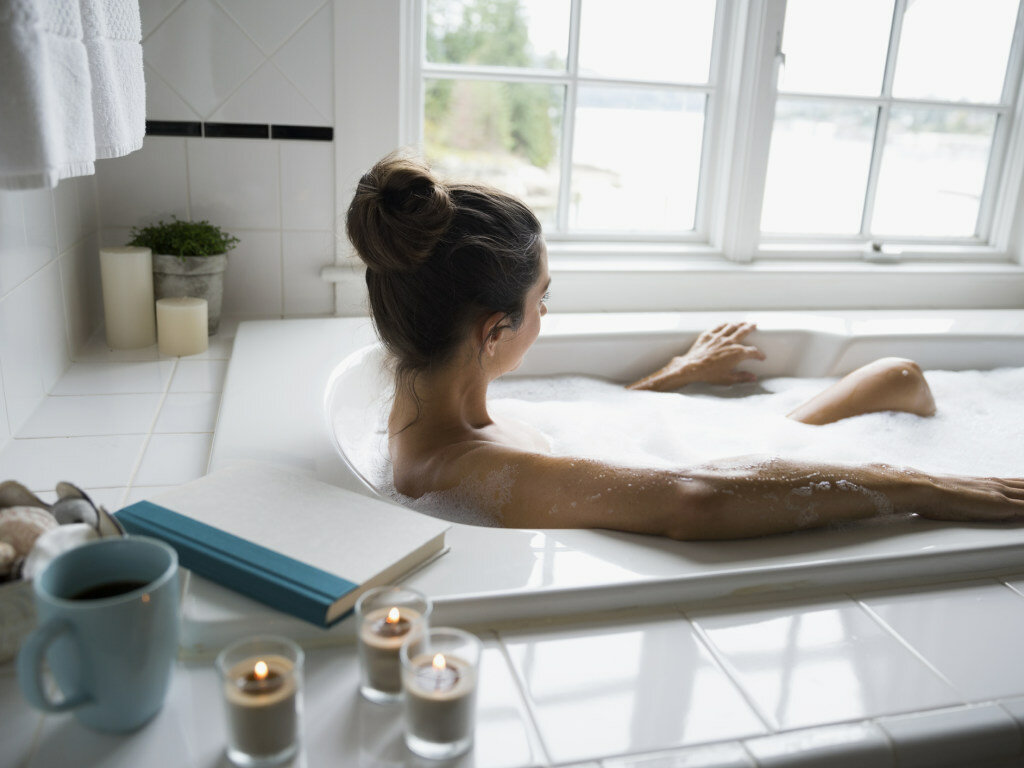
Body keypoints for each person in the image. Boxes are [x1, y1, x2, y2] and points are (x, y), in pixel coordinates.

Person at [345, 152, 1024, 539]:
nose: (544, 313)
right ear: (495, 331)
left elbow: (568, 445)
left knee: (897, 376)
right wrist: (924, 484)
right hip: (698, 468)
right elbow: (696, 498)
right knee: (899, 383)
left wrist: (673, 376)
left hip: (678, 444)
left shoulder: (428, 395)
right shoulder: (460, 475)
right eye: (541, 299)